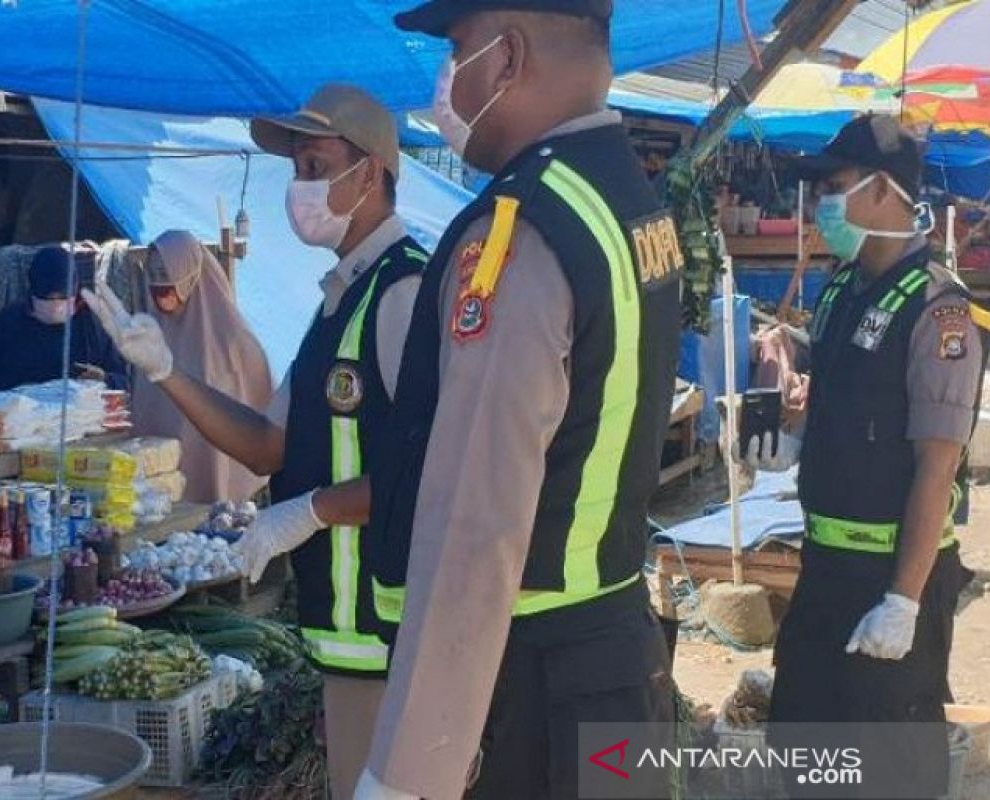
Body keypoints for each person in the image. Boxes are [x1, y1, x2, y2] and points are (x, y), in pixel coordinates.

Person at [354, 2, 684, 798]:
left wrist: (409, 771)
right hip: (607, 658)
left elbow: (477, 525)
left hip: (526, 685)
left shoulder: (522, 228)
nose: (445, 81)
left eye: (456, 51)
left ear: (505, 59)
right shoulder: (627, 201)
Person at [81, 84, 429, 800]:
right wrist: (167, 370)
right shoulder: (337, 302)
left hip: (392, 634)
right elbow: (269, 446)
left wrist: (312, 511)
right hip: (342, 635)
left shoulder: (403, 293)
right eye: (295, 168)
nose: (298, 187)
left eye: (314, 165)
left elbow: (432, 470)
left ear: (368, 173)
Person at [741, 115, 987, 795]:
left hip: (890, 577)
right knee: (807, 750)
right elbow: (841, 397)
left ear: (885, 191)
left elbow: (937, 466)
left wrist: (902, 602)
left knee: (885, 769)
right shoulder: (843, 291)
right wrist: (786, 401)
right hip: (824, 567)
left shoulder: (941, 312)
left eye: (836, 184)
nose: (823, 199)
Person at [131, 230, 273, 503]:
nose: (161, 283)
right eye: (155, 274)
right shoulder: (150, 335)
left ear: (192, 274)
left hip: (224, 496)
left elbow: (263, 416)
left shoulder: (234, 340)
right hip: (157, 494)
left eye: (168, 273)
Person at [0, 246, 127, 392]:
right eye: (48, 298)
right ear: (34, 291)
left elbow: (123, 382)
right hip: (24, 414)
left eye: (63, 297)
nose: (55, 306)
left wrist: (105, 379)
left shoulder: (93, 323)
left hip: (82, 414)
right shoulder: (9, 323)